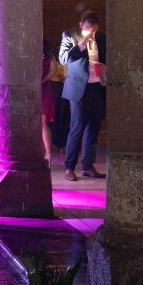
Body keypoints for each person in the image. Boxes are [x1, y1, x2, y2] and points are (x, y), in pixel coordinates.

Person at [60, 9, 106, 181]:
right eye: (87, 29)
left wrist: (105, 67)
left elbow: (106, 58)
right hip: (78, 87)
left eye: (93, 29)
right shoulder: (69, 36)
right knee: (77, 126)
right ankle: (69, 167)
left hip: (96, 86)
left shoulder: (101, 37)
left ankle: (87, 166)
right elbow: (64, 59)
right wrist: (82, 44)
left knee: (94, 127)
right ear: (81, 25)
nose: (91, 32)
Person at [41, 39, 58, 162]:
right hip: (32, 89)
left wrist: (43, 80)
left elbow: (54, 70)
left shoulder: (48, 57)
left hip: (44, 89)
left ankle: (48, 153)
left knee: (43, 121)